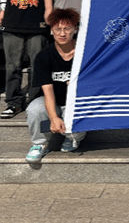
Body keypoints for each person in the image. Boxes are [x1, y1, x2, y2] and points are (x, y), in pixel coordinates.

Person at [25, 8, 87, 163]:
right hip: (54, 101)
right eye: (58, 29)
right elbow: (47, 90)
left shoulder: (85, 53)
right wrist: (53, 118)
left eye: (67, 29)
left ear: (75, 29)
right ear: (51, 30)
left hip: (77, 102)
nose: (62, 33)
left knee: (77, 119)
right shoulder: (44, 56)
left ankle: (72, 138)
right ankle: (39, 144)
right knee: (35, 109)